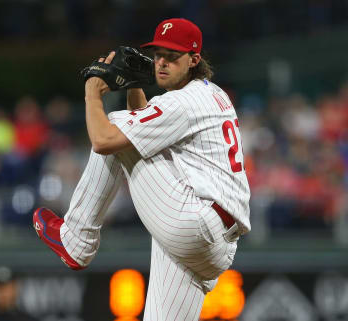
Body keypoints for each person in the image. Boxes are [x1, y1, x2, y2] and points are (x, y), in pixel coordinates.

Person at [33, 18, 250, 320]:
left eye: (172, 56)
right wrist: (135, 85)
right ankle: (77, 239)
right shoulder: (211, 94)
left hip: (194, 222)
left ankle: (76, 239)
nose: (161, 62)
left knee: (117, 125)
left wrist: (92, 93)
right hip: (213, 243)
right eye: (159, 54)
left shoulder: (183, 103)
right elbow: (149, 135)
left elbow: (104, 140)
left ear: (194, 59)